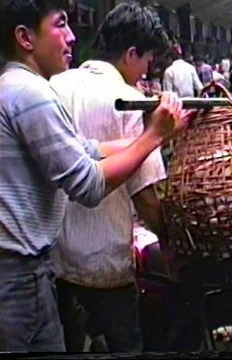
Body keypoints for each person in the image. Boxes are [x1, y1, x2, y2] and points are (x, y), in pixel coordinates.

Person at [0, 0, 186, 352]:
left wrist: (156, 137)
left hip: (54, 264)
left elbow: (86, 149)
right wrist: (153, 137)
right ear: (25, 38)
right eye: (60, 25)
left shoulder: (37, 87)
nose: (71, 37)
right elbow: (88, 184)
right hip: (46, 273)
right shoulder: (32, 93)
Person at [48, 2, 173, 352]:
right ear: (131, 53)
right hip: (105, 263)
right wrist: (169, 241)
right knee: (126, 346)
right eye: (148, 60)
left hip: (54, 260)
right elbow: (146, 195)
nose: (147, 71)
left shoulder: (53, 86)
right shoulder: (132, 102)